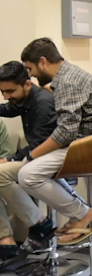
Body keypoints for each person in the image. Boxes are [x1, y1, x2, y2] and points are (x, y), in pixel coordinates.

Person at [18, 38, 92, 246]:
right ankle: (78, 212)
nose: (31, 75)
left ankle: (83, 213)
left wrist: (32, 155)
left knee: (27, 175)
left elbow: (65, 133)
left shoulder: (67, 82)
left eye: (30, 68)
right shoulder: (70, 76)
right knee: (35, 169)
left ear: (43, 62)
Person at [0, 61, 57, 259]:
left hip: (49, 160)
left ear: (27, 84)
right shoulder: (26, 100)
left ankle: (40, 223)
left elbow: (38, 146)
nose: (6, 96)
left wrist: (8, 159)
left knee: (0, 174)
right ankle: (6, 241)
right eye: (2, 92)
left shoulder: (42, 103)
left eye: (10, 91)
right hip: (37, 158)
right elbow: (8, 109)